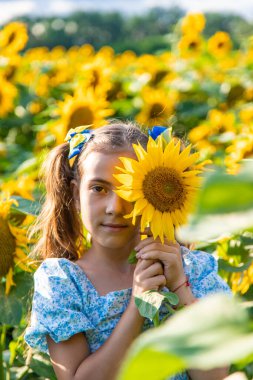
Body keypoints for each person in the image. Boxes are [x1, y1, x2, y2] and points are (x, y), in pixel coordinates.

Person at [25, 121, 231, 380]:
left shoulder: (194, 271)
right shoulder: (62, 282)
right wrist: (138, 305)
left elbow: (214, 376)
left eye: (129, 189)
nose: (115, 207)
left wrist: (179, 288)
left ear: (155, 192)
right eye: (99, 188)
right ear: (76, 195)